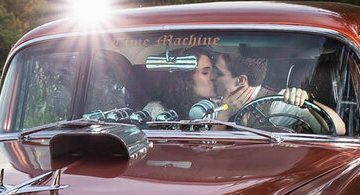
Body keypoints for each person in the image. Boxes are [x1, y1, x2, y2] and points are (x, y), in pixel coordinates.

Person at [212, 53, 343, 134]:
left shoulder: (279, 101)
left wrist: (307, 101)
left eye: (218, 73)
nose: (212, 78)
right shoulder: (212, 102)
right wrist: (223, 116)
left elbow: (338, 129)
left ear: (241, 80)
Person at [143, 48, 216, 120]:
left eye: (214, 72)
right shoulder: (156, 111)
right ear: (186, 79)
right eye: (205, 73)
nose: (213, 77)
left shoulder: (216, 107)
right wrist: (223, 117)